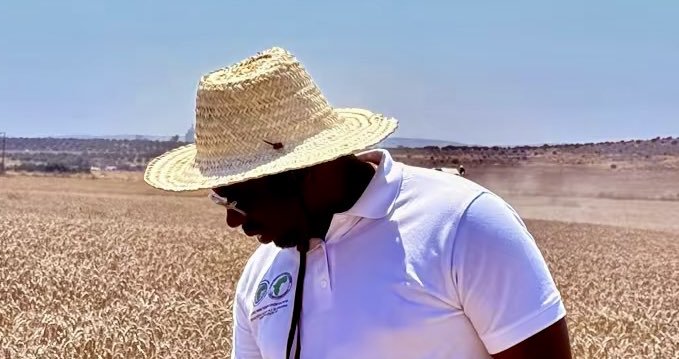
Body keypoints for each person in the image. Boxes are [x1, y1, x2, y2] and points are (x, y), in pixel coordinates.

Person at [143, 47, 571, 359]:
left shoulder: (463, 224)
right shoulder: (261, 278)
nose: (234, 220)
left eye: (237, 197)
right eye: (221, 198)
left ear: (305, 169)